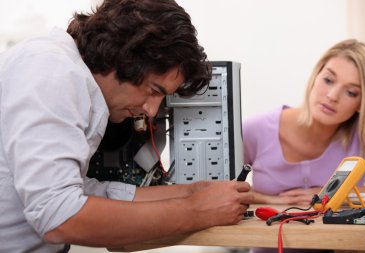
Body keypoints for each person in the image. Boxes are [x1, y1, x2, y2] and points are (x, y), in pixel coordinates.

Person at [0, 0, 255, 252]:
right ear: (123, 57)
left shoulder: (67, 75)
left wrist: (191, 192)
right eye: (154, 91)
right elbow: (60, 216)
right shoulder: (53, 72)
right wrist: (196, 211)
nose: (151, 110)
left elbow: (82, 192)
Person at [243, 39, 365, 252]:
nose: (332, 96)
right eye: (328, 80)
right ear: (315, 77)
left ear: (364, 102)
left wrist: (337, 194)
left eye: (351, 92)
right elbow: (219, 191)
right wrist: (271, 199)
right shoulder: (255, 130)